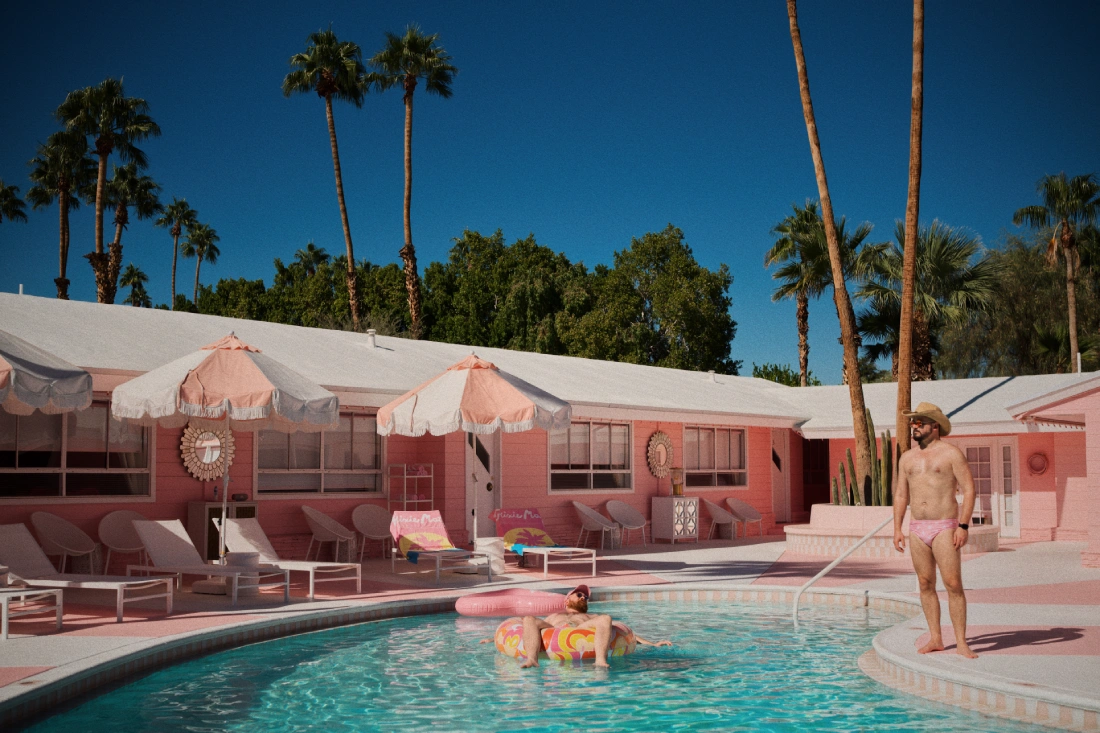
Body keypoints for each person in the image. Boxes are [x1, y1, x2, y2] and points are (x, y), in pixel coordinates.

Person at [894, 402, 979, 659]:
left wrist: (963, 525)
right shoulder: (907, 457)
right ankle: (936, 638)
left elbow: (969, 490)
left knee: (953, 583)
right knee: (924, 583)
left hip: (944, 525)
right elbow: (900, 494)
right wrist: (897, 528)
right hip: (917, 527)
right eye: (913, 422)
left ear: (935, 425)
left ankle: (962, 642)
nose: (914, 426)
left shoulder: (951, 454)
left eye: (919, 422)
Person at [482, 584, 671, 667]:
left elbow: (624, 633)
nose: (583, 597)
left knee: (606, 618)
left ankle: (600, 660)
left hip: (584, 630)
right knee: (529, 619)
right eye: (579, 595)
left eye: (585, 596)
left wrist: (652, 643)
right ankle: (532, 659)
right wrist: (495, 638)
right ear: (567, 600)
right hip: (554, 630)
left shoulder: (592, 616)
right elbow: (522, 630)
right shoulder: (555, 615)